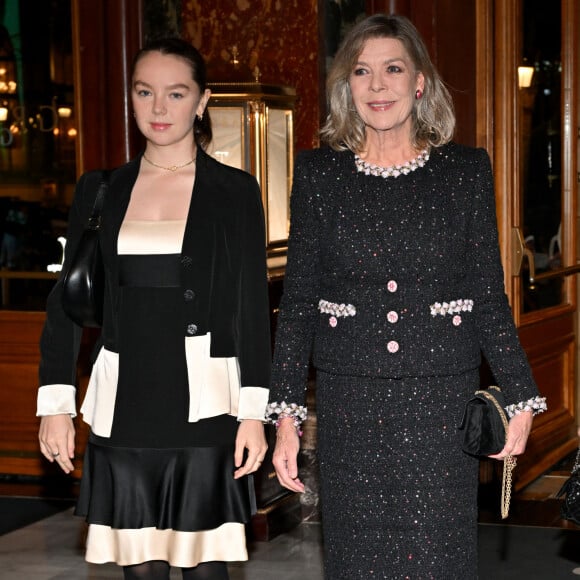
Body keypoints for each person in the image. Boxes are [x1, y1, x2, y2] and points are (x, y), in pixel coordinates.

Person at [266, 13, 547, 579]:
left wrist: (521, 396)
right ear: (347, 84)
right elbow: (297, 307)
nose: (377, 86)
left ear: (419, 81)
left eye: (393, 69)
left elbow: (487, 298)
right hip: (351, 407)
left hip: (440, 408)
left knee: (439, 562)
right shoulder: (320, 175)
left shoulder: (464, 172)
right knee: (356, 562)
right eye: (362, 71)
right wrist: (287, 418)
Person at [37, 37, 271, 580]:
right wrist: (55, 400)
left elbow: (251, 311)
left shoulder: (234, 192)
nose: (159, 109)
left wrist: (255, 413)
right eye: (145, 92)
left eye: (176, 93)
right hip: (125, 409)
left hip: (206, 410)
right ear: (132, 98)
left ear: (202, 100)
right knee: (139, 572)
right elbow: (66, 303)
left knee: (207, 571)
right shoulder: (100, 190)